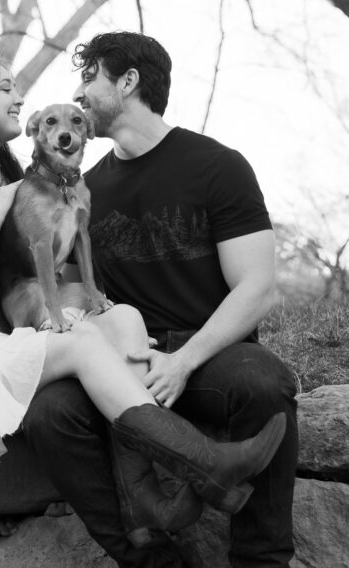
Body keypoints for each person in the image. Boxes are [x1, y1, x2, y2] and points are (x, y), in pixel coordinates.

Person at [0, 54, 285, 557]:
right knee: (81, 343)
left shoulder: (27, 176)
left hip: (23, 332)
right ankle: (205, 462)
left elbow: (55, 262)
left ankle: (144, 498)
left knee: (123, 317)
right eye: (5, 90)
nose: (19, 99)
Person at [64, 31, 298, 568]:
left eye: (89, 78)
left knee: (264, 383)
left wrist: (184, 361)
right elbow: (75, 292)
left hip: (211, 353)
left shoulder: (217, 166)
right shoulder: (84, 191)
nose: (78, 94)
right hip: (127, 363)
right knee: (52, 414)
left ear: (127, 81)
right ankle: (150, 558)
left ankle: (262, 561)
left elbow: (257, 286)